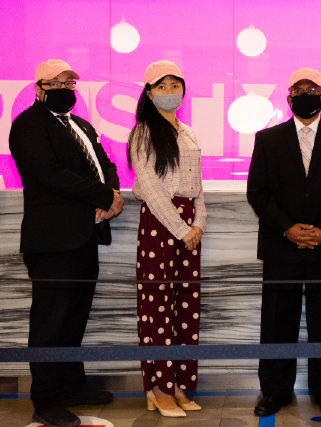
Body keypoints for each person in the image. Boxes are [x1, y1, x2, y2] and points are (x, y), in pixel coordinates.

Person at [9, 59, 123, 427]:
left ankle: (71, 383)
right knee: (49, 322)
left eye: (70, 82)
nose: (65, 88)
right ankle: (45, 398)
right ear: (39, 87)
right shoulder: (28, 125)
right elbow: (48, 174)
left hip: (84, 237)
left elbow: (105, 164)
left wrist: (113, 191)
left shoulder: (82, 125)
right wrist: (103, 195)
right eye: (56, 83)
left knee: (74, 318)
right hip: (52, 240)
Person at [246, 68, 321, 418]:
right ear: (288, 97)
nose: (306, 95)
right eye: (299, 89)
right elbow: (258, 193)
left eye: (313, 89)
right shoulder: (268, 139)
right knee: (277, 320)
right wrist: (288, 228)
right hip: (282, 245)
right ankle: (275, 391)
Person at [127, 60, 206, 417]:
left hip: (190, 227)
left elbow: (198, 188)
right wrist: (181, 229)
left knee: (186, 308)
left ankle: (179, 383)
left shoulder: (187, 131)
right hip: (161, 225)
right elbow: (149, 188)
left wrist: (199, 224)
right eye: (163, 86)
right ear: (148, 92)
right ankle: (158, 386)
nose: (170, 92)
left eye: (176, 85)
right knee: (156, 308)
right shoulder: (143, 132)